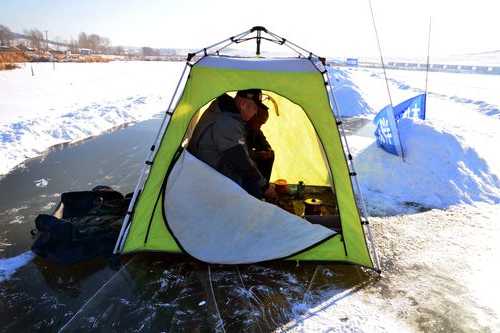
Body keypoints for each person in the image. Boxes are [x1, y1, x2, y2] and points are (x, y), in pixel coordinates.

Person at [188, 89, 277, 200]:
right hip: (206, 175)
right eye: (255, 109)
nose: (255, 113)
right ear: (244, 105)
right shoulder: (227, 121)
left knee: (252, 179)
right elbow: (240, 160)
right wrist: (264, 187)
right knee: (253, 189)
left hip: (206, 168)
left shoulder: (227, 113)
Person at [246, 102, 275, 184]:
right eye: (259, 122)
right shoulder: (240, 127)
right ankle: (260, 187)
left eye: (262, 123)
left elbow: (263, 141)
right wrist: (257, 154)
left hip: (250, 155)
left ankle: (263, 185)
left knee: (271, 154)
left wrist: (268, 150)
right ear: (253, 117)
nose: (260, 126)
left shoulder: (256, 130)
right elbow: (240, 154)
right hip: (236, 161)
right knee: (253, 161)